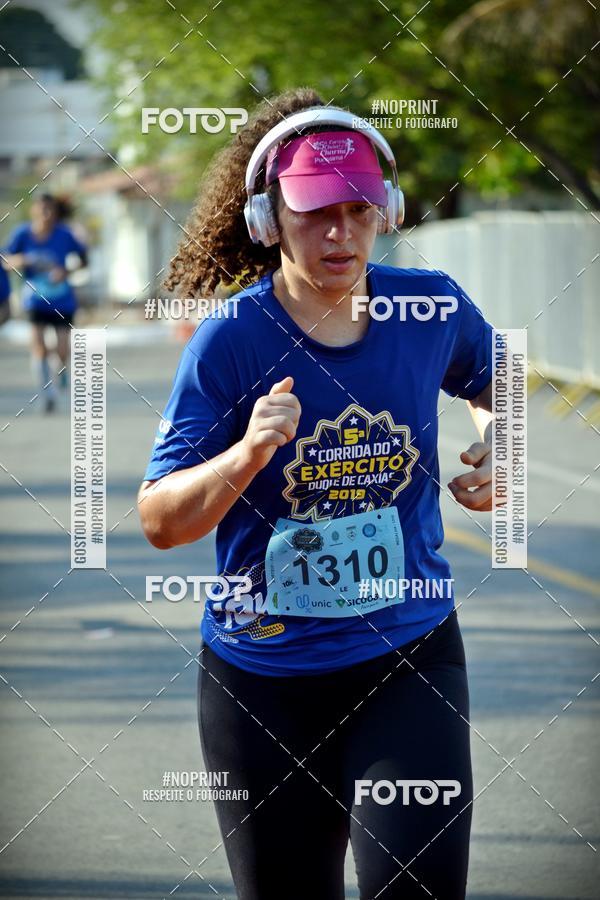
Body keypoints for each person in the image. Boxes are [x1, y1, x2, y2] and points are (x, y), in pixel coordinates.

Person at [139, 87, 495, 900]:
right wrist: (246, 454)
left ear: (387, 210)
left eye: (359, 209)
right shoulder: (232, 339)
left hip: (407, 653)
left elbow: (496, 373)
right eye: (315, 213)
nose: (341, 232)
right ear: (269, 219)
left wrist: (502, 441)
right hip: (263, 676)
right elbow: (160, 520)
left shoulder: (429, 306)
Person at [3, 193, 87, 412]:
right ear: (34, 211)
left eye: (50, 211)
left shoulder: (65, 235)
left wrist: (65, 271)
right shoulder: (22, 234)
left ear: (56, 213)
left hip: (62, 299)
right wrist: (23, 260)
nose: (46, 215)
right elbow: (5, 261)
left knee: (62, 348)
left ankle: (61, 370)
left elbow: (83, 260)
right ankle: (46, 392)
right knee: (38, 346)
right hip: (35, 299)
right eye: (42, 210)